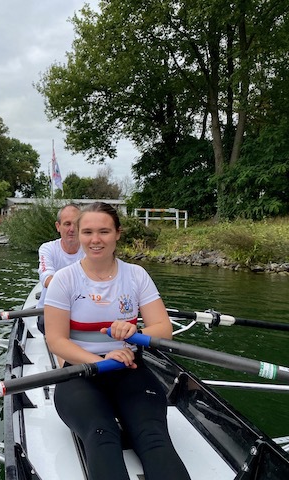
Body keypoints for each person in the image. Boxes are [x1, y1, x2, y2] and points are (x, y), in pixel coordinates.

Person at [44, 202, 191, 480]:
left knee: (153, 436)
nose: (95, 240)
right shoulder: (64, 280)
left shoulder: (136, 275)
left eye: (104, 231)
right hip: (81, 372)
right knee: (102, 434)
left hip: (129, 369)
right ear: (79, 234)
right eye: (88, 232)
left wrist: (134, 331)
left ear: (117, 234)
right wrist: (100, 362)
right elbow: (56, 341)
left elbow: (164, 330)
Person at [36, 203, 85, 333]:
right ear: (58, 226)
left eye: (76, 224)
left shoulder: (90, 250)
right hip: (51, 308)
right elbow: (47, 279)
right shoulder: (47, 248)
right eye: (67, 224)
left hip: (82, 308)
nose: (72, 229)